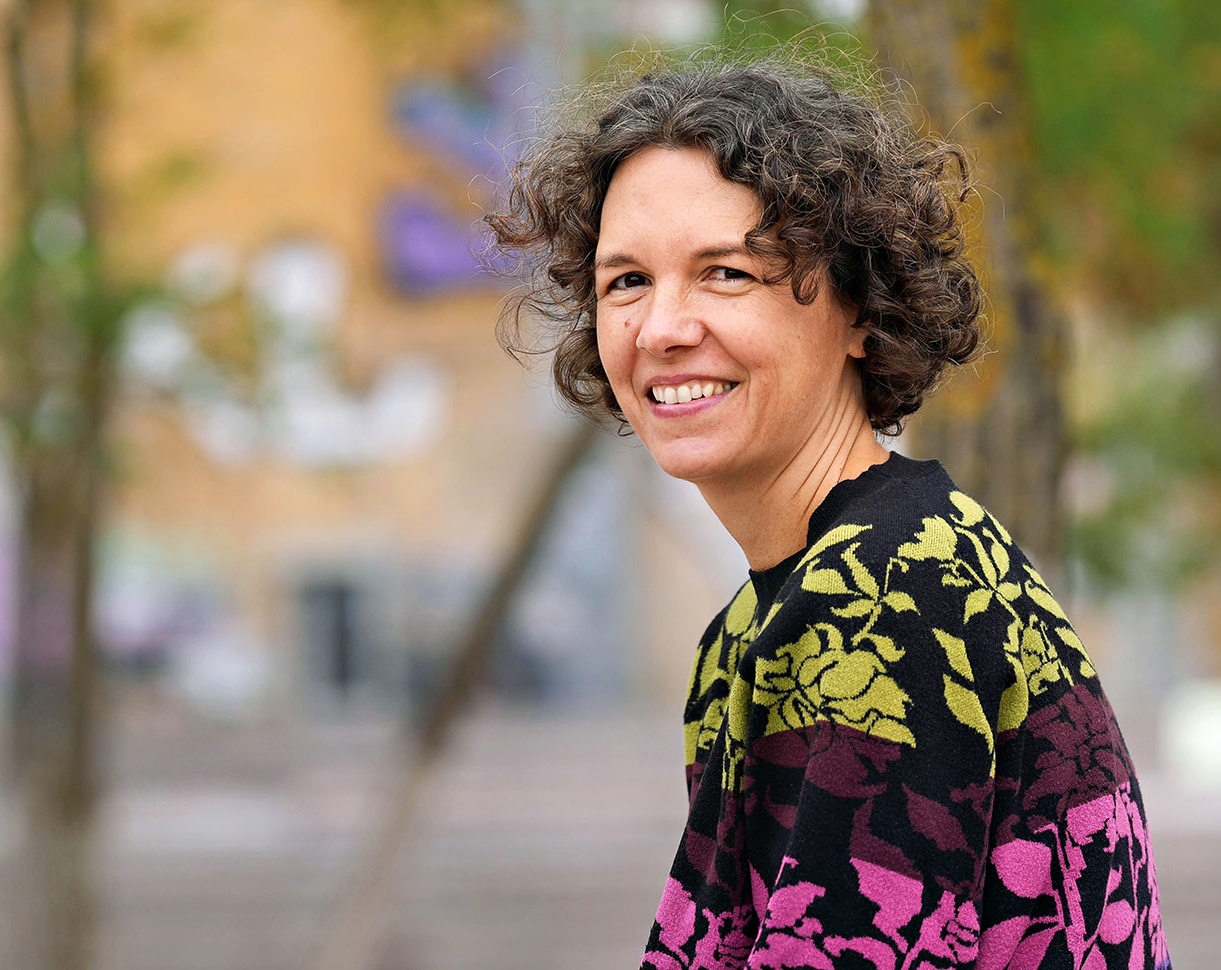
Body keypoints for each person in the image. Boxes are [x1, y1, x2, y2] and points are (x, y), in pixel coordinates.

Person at [488, 58, 1170, 970]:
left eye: (726, 273)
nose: (660, 328)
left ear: (860, 307)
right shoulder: (780, 612)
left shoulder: (888, 595)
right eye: (626, 283)